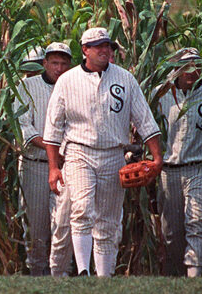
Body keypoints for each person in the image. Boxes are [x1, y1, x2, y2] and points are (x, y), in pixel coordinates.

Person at [44, 27, 162, 277]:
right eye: (98, 46)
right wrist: (54, 167)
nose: (104, 50)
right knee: (82, 208)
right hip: (79, 151)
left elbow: (145, 120)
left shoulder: (125, 79)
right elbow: (53, 129)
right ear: (85, 50)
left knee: (109, 221)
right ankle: (84, 270)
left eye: (107, 45)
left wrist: (157, 158)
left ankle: (104, 277)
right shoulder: (67, 80)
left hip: (113, 154)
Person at [153, 48, 202, 277]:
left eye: (196, 65)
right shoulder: (160, 94)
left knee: (197, 223)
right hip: (169, 170)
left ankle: (194, 278)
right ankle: (178, 275)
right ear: (174, 69)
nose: (192, 71)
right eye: (185, 66)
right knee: (171, 232)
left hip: (201, 168)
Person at [13, 41, 73, 276]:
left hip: (68, 166)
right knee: (36, 228)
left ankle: (63, 274)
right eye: (54, 63)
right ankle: (37, 274)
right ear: (44, 63)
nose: (58, 68)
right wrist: (53, 151)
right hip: (34, 166)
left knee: (63, 224)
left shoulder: (74, 85)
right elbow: (24, 127)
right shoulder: (26, 86)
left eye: (64, 64)